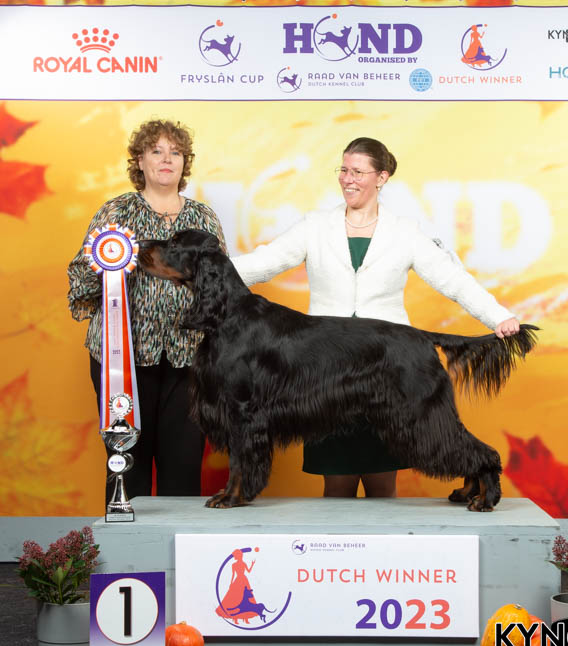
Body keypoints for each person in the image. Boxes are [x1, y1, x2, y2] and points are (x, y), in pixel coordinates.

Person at [233, 137, 520, 499]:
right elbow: (263, 262)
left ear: (381, 177)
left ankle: (475, 477)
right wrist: (206, 270)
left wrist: (498, 317)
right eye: (343, 170)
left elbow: (453, 280)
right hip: (326, 370)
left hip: (387, 365)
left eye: (357, 171)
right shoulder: (315, 226)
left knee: (383, 485)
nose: (347, 179)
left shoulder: (405, 231)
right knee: (336, 485)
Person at [67, 119, 227, 503]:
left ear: (185, 162)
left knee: (183, 468)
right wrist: (107, 269)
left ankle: (177, 544)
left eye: (175, 152)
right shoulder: (116, 212)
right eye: (156, 151)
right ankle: (126, 541)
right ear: (140, 161)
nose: (166, 159)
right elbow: (80, 283)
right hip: (121, 360)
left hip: (189, 359)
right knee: (127, 464)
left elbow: (220, 288)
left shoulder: (204, 217)